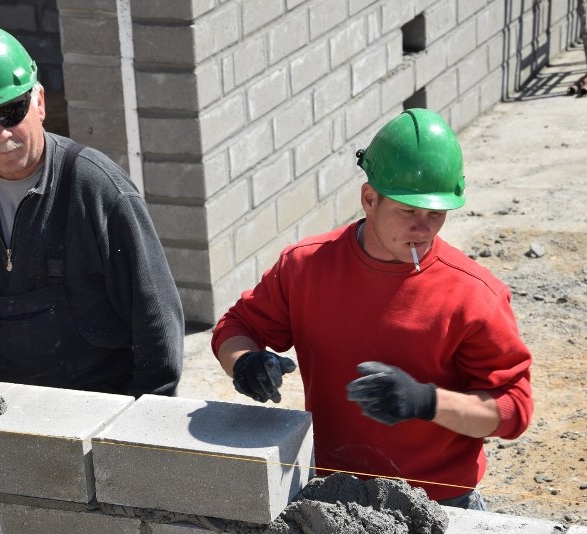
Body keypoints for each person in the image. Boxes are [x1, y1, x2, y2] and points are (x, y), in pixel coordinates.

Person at [211, 108, 533, 509]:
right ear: (369, 198)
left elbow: (513, 409)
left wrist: (426, 402)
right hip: (333, 495)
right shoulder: (306, 266)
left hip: (438, 505)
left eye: (435, 214)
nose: (423, 229)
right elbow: (236, 325)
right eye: (408, 211)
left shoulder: (474, 295)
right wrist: (243, 362)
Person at [0, 23, 183, 397]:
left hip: (108, 406)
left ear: (39, 102)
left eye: (12, 111)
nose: (2, 133)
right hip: (22, 410)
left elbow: (157, 320)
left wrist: (140, 426)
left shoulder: (95, 189)